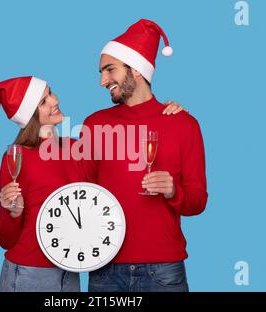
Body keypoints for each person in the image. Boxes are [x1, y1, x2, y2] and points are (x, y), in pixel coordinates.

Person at [0, 76, 186, 292]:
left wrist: (163, 115)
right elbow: (5, 239)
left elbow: (121, 158)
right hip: (28, 274)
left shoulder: (78, 148)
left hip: (70, 272)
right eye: (43, 102)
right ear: (29, 116)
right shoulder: (16, 157)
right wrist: (13, 213)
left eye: (50, 92)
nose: (54, 101)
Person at [78, 19, 208, 292]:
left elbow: (197, 203)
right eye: (101, 72)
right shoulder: (94, 124)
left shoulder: (184, 124)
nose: (102, 81)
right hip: (105, 266)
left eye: (109, 70)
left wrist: (174, 192)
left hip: (163, 269)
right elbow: (81, 192)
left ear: (135, 69)